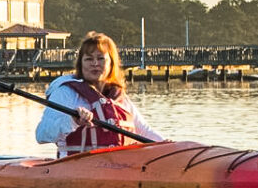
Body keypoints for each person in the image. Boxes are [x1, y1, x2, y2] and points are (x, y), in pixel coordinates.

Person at [36, 31, 165, 156]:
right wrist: (73, 120)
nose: (95, 64)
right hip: (76, 170)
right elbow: (41, 135)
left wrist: (173, 147)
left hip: (119, 169)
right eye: (88, 59)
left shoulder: (119, 98)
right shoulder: (66, 93)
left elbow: (144, 131)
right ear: (81, 64)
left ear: (111, 64)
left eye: (101, 58)